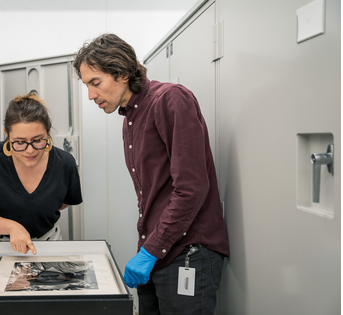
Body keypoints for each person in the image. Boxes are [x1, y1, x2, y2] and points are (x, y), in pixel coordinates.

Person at [73, 34, 229, 314]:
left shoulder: (170, 99)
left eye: (95, 83)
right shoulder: (130, 118)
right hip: (159, 251)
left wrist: (150, 250)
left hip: (187, 253)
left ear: (121, 73)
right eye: (87, 86)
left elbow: (191, 188)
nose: (91, 95)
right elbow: (152, 195)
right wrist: (149, 248)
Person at [0, 92, 83, 255]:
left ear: (48, 131)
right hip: (1, 245)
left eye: (38, 140)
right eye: (20, 142)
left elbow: (64, 203)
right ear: (7, 134)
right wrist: (12, 227)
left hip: (48, 243)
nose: (30, 150)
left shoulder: (65, 163)